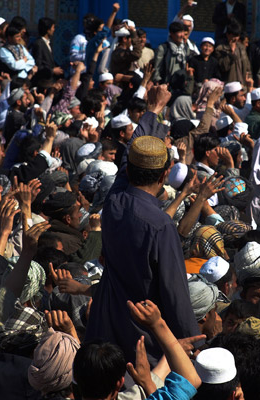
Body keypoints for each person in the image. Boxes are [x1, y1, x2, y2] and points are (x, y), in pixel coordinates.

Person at [86, 86, 201, 365]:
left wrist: (153, 112)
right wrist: (192, 344)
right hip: (145, 342)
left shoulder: (114, 203)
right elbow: (175, 295)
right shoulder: (160, 225)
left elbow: (128, 160)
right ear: (165, 175)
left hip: (107, 326)